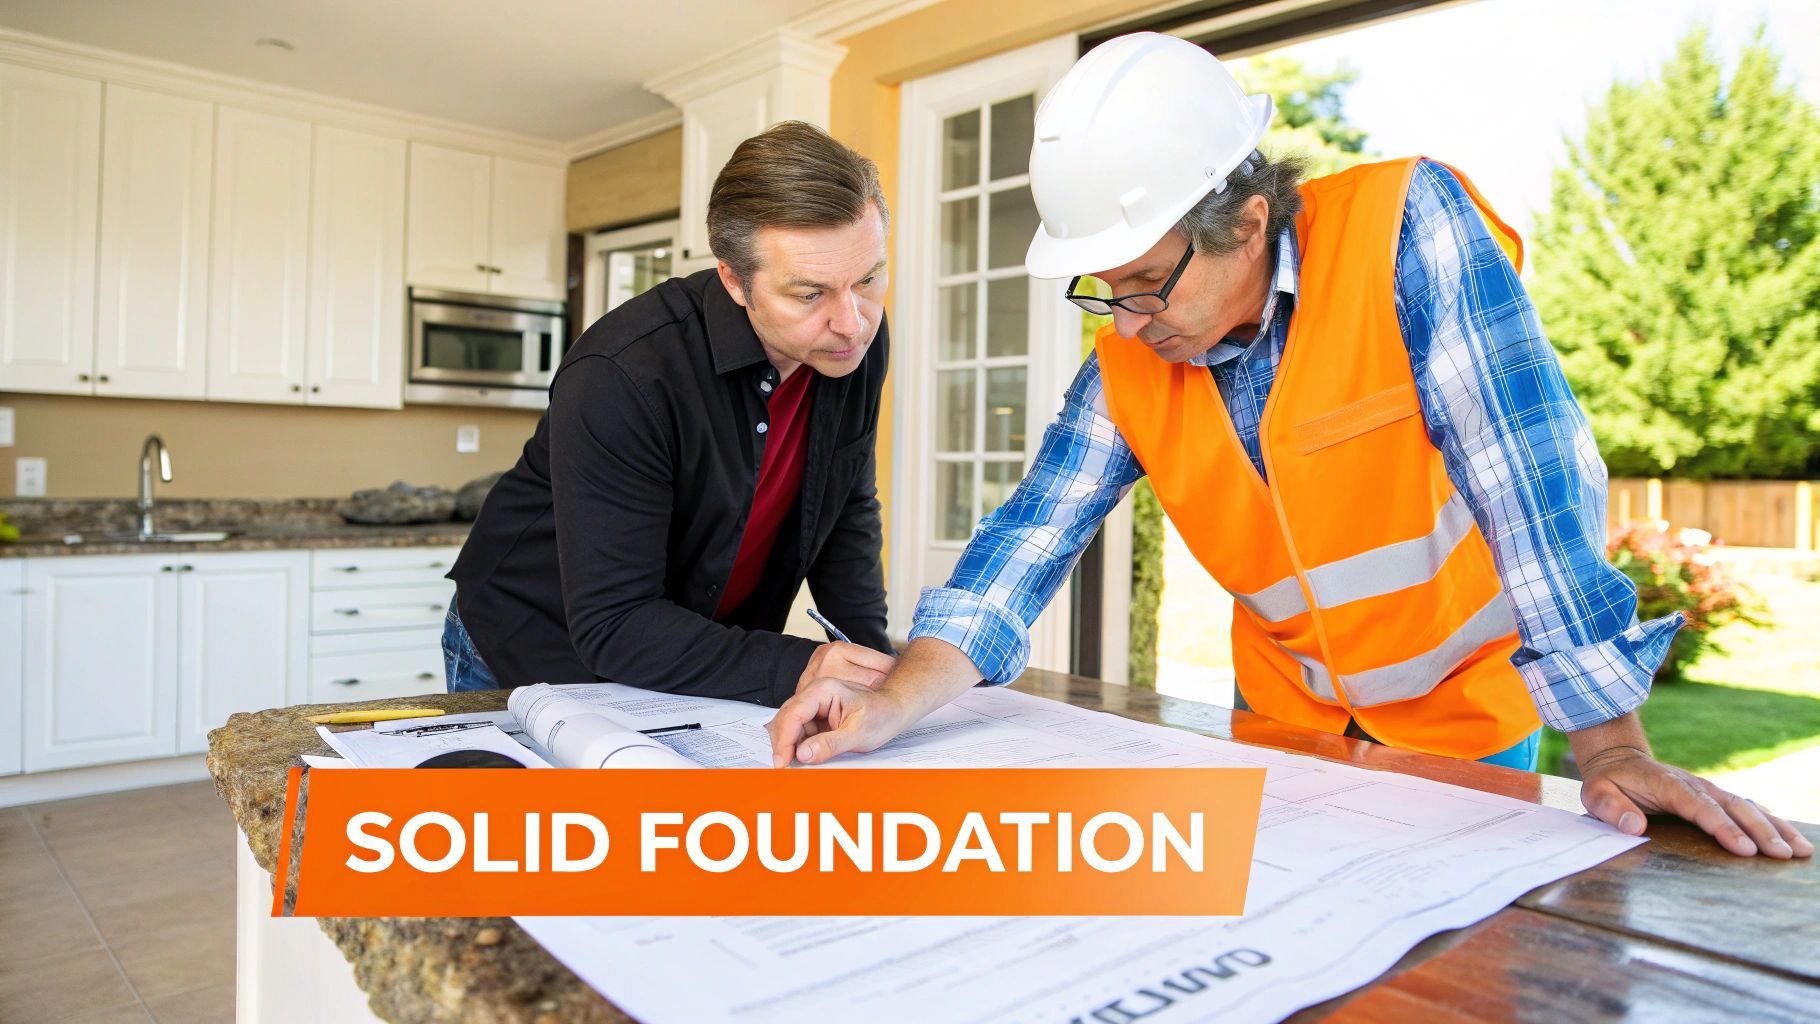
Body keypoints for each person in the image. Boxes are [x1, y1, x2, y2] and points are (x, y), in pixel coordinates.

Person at [767, 34, 1811, 860]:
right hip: (1280, 723)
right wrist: (890, 702)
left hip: (1461, 716)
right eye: (1102, 292)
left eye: (1142, 283)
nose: (1123, 324)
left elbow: (1525, 481)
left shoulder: (1407, 231)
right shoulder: (1130, 360)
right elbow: (1022, 546)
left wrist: (1610, 744)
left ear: (1247, 220)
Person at [445, 121, 896, 706]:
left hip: (687, 647)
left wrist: (871, 667)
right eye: (809, 294)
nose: (851, 321)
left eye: (868, 279)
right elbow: (614, 623)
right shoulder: (623, 373)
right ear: (735, 281)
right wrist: (806, 666)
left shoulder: (851, 345)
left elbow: (844, 510)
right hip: (536, 642)